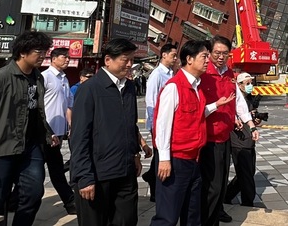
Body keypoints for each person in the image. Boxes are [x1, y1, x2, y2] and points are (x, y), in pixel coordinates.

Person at [0, 30, 58, 225]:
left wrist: (48, 133)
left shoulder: (38, 78)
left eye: (45, 51)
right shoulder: (0, 78)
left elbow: (37, 111)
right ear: (22, 52)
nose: (43, 55)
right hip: (2, 147)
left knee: (33, 193)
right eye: (38, 51)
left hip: (31, 147)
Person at [150, 40, 234, 226]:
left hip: (194, 158)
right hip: (176, 160)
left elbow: (195, 114)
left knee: (192, 214)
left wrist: (215, 105)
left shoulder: (197, 87)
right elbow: (162, 126)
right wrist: (164, 159)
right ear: (189, 59)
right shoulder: (174, 87)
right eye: (204, 56)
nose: (208, 60)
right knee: (168, 216)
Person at [70, 38, 144, 226]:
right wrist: (84, 177)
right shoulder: (90, 89)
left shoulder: (128, 87)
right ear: (108, 60)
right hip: (97, 173)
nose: (129, 65)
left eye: (132, 60)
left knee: (127, 220)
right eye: (125, 60)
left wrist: (135, 153)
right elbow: (79, 136)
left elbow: (131, 124)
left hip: (125, 171)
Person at [200, 36, 259, 226]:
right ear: (209, 53)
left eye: (225, 53)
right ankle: (208, 220)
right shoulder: (203, 73)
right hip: (208, 138)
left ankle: (217, 213)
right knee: (213, 185)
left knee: (221, 181)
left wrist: (250, 124)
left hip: (224, 137)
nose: (220, 57)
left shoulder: (229, 74)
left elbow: (238, 102)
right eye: (217, 53)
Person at [41, 47, 76, 215]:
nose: (67, 60)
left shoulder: (64, 79)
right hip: (45, 132)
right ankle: (70, 201)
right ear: (53, 59)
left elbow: (68, 105)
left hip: (59, 132)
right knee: (49, 169)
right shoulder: (45, 77)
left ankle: (13, 200)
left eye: (68, 57)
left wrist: (70, 125)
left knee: (54, 168)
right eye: (64, 57)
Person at [142, 43, 178, 202]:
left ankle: (150, 176)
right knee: (159, 155)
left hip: (169, 121)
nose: (175, 58)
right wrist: (154, 125)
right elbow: (150, 100)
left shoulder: (171, 73)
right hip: (158, 122)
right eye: (173, 55)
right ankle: (156, 191)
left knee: (161, 154)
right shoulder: (157, 74)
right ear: (164, 55)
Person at [225, 73, 260, 207]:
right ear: (239, 85)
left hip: (249, 140)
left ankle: (227, 195)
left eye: (251, 83)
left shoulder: (250, 99)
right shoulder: (234, 99)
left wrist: (256, 120)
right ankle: (247, 203)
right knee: (245, 175)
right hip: (238, 140)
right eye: (247, 83)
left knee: (248, 172)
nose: (250, 86)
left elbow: (252, 119)